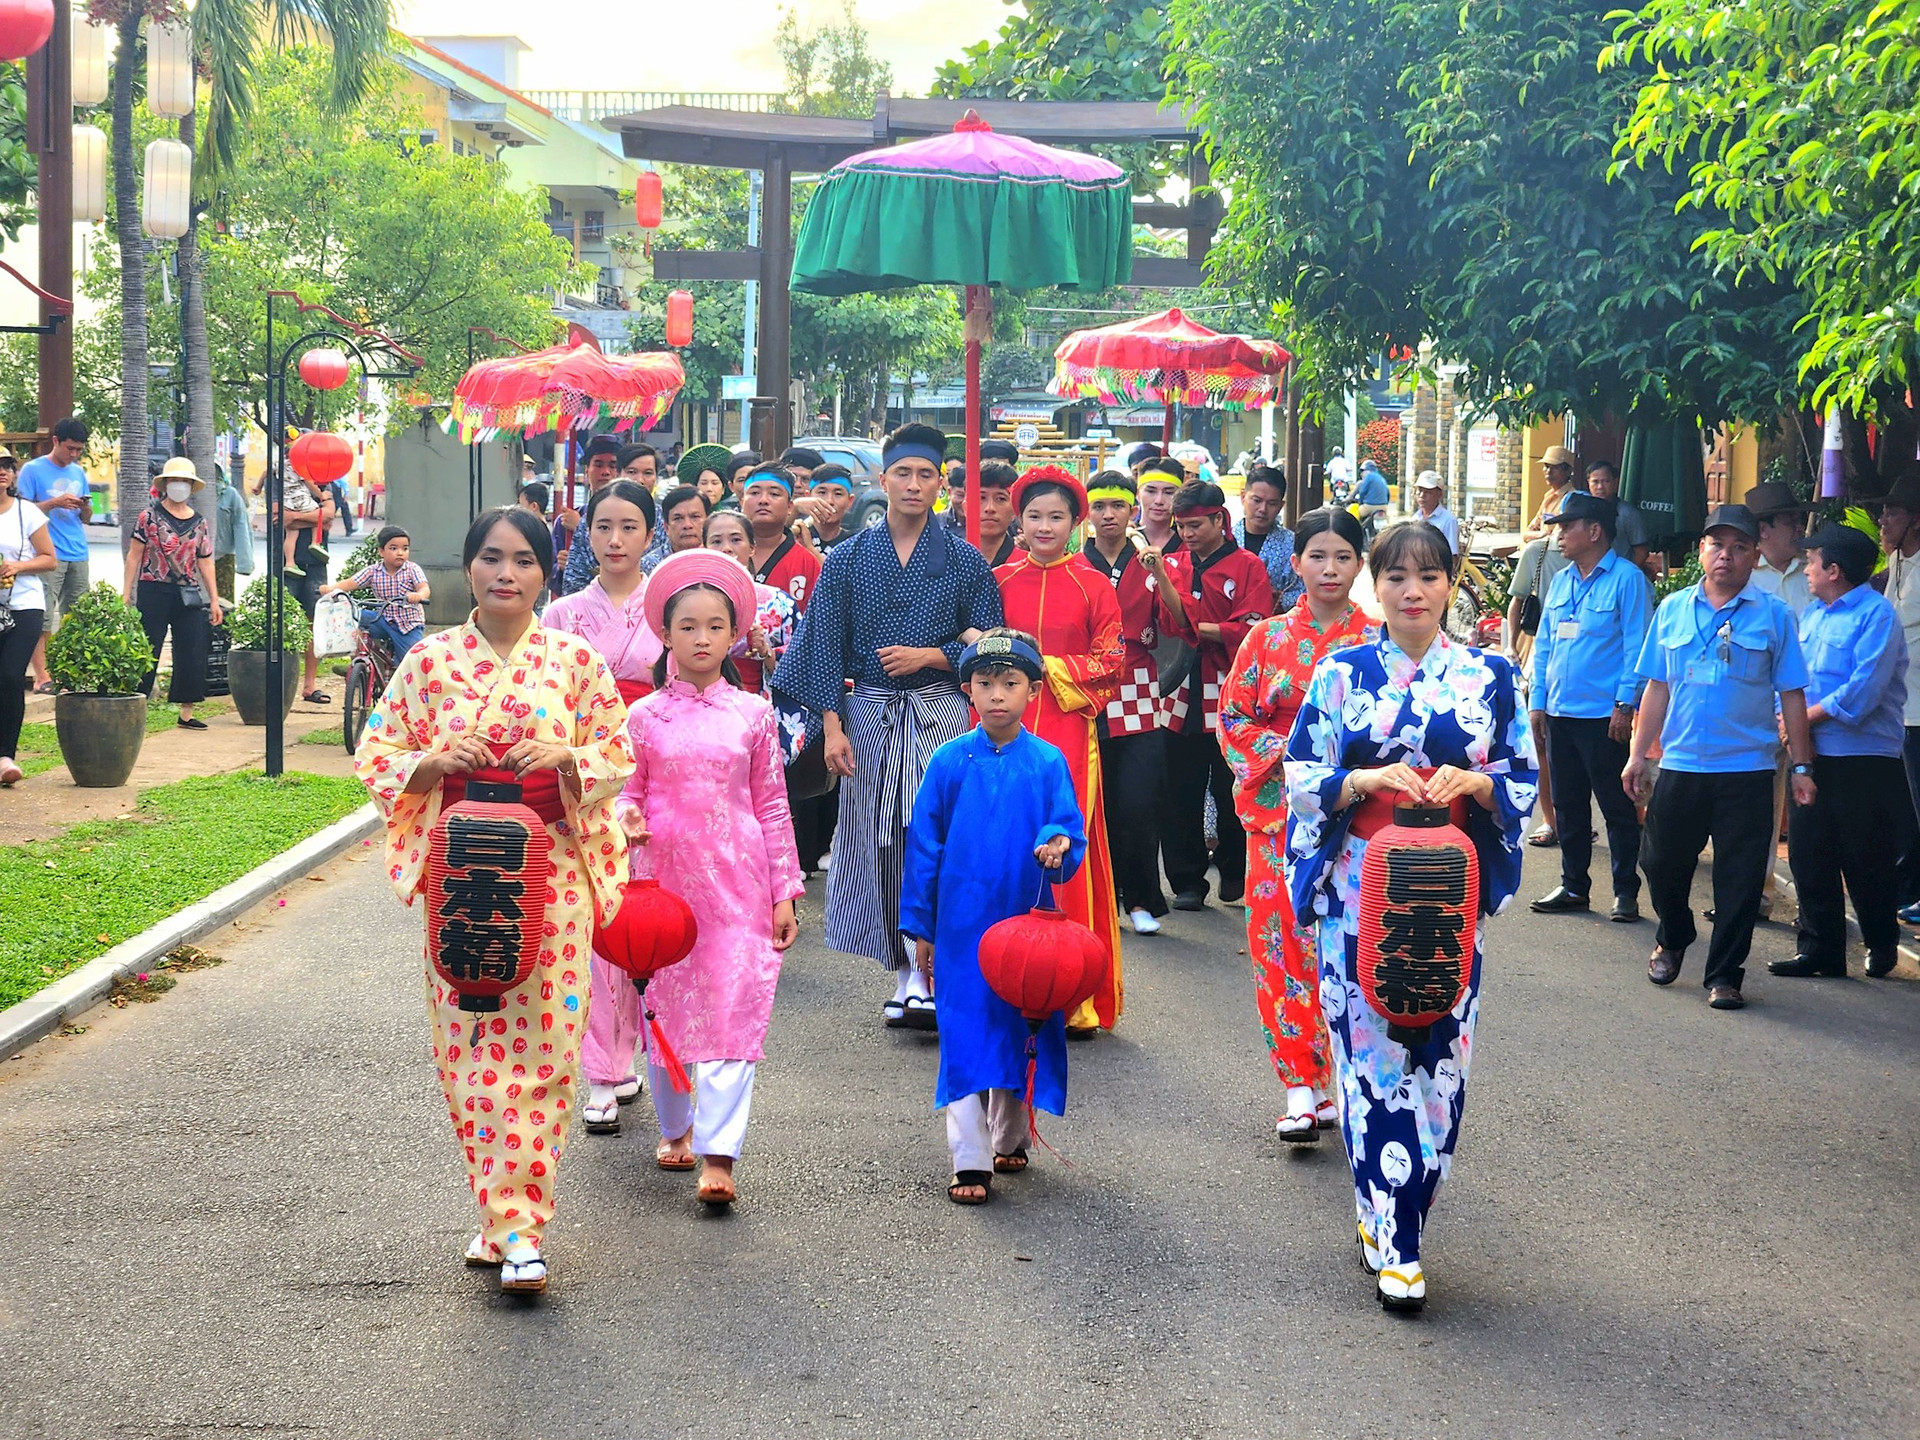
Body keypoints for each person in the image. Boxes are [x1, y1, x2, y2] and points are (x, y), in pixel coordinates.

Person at [354, 506, 634, 1294]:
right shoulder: (430, 661)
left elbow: (618, 753)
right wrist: (433, 761)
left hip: (552, 875)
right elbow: (378, 749)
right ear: (468, 566)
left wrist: (570, 756)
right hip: (463, 877)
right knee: (469, 1052)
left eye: (523, 560)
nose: (505, 573)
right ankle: (499, 1215)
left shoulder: (575, 661)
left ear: (547, 573)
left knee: (544, 1058)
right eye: (490, 557)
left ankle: (520, 1229)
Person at [1284, 519, 1537, 1311]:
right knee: (1370, 1065)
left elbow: (1524, 776)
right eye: (1396, 576)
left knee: (1441, 1063)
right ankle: (1398, 1238)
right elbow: (1300, 772)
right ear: (1375, 585)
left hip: (1447, 892)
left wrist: (1478, 786)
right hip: (1360, 889)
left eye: (1429, 575)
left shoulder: (1491, 674)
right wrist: (1362, 783)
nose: (1413, 590)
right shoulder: (1340, 672)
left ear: (1450, 583)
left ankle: (1394, 1209)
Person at [771, 422, 1003, 1029]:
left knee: (936, 836)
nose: (914, 484)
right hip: (869, 714)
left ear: (941, 485)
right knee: (879, 841)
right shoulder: (848, 558)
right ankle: (905, 974)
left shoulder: (964, 559)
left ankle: (937, 970)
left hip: (941, 712)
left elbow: (990, 647)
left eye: (927, 475)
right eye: (904, 472)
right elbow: (820, 642)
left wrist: (931, 656)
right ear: (883, 479)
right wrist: (833, 725)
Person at [617, 550, 803, 1206]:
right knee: (663, 1006)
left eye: (715, 626)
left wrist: (785, 891)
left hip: (740, 885)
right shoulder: (641, 719)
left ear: (733, 635)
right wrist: (628, 823)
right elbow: (625, 794)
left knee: (732, 1012)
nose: (701, 638)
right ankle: (676, 1127)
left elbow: (773, 805)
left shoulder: (753, 715)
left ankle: (720, 1153)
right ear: (664, 634)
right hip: (660, 885)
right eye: (688, 626)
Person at [899, 629, 1087, 1204]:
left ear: (1033, 690)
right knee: (962, 1028)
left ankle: (1009, 1136)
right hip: (959, 922)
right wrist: (919, 927)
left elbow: (1065, 823)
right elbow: (924, 845)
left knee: (1017, 1023)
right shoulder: (949, 761)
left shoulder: (1049, 761)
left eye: (1010, 684)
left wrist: (1058, 844)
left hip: (1022, 920)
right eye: (985, 684)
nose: (997, 695)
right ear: (968, 690)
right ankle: (969, 1160)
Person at [1218, 507, 1373, 1141]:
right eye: (1317, 556)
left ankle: (1348, 1080)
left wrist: (1342, 768)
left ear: (1360, 565)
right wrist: (1292, 755)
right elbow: (1234, 717)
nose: (1329, 569)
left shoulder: (1378, 641)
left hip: (1356, 817)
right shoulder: (1265, 639)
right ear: (1296, 562)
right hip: (1279, 814)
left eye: (1342, 556)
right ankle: (1299, 1087)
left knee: (1347, 947)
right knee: (1277, 946)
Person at [1625, 504, 1815, 1011]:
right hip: (1683, 765)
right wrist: (1638, 754)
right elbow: (1656, 689)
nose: (1725, 556)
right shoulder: (1671, 611)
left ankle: (1726, 974)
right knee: (1660, 863)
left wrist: (1801, 766)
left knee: (1739, 880)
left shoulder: (1775, 616)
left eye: (1738, 547)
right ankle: (1675, 933)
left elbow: (1792, 694)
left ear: (1754, 556)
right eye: (1716, 545)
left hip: (1747, 771)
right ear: (1702, 551)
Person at [542, 480, 662, 1133]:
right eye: (603, 527)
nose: (614, 540)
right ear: (587, 533)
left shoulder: (669, 605)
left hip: (652, 777)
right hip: (584, 778)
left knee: (643, 922)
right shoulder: (562, 615)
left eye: (629, 527)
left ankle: (638, 1049)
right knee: (591, 927)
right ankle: (602, 1072)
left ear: (649, 534)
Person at [994, 467, 1125, 1034]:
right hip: (997, 728)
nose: (1045, 526)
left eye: (1057, 517)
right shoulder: (996, 579)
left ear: (1077, 523)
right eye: (1035, 516)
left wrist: (1038, 664)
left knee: (1064, 847)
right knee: (1000, 843)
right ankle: (1001, 977)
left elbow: (1111, 664)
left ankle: (1072, 992)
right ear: (1019, 521)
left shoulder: (1095, 584)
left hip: (1069, 732)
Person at [1771, 523, 1905, 979]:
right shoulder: (1813, 615)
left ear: (1834, 569)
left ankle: (1881, 940)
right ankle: (1819, 950)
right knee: (1810, 853)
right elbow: (1791, 678)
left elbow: (1862, 692)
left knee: (1865, 856)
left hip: (1862, 757)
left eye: (1812, 562)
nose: (1806, 569)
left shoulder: (1877, 615)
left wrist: (1800, 719)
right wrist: (1786, 719)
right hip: (1810, 752)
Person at [1145, 480, 1273, 910]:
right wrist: (1201, 627)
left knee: (1231, 785)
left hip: (1231, 689)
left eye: (1195, 524)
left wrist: (1195, 628)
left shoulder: (1247, 565)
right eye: (1180, 526)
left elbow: (1253, 629)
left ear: (1220, 519)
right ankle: (1186, 881)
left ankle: (1236, 870)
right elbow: (1166, 624)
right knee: (1176, 789)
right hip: (1178, 689)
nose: (1186, 534)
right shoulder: (1171, 564)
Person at [1525, 493, 1653, 922]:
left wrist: (1625, 704)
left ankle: (1625, 892)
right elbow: (1543, 645)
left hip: (1603, 716)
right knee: (1568, 804)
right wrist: (1537, 701)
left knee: (1616, 808)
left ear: (1594, 531)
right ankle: (1575, 885)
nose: (1559, 535)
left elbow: (1638, 647)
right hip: (1560, 712)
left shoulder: (1627, 580)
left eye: (1568, 526)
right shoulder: (1561, 580)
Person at [1081, 472, 1170, 932]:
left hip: (1138, 687)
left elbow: (1178, 624)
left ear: (1132, 510)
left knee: (1138, 802)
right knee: (1091, 804)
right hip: (1085, 690)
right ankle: (1096, 901)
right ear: (1088, 513)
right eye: (1100, 506)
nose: (1109, 515)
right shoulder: (1077, 563)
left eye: (1118, 505)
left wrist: (1160, 574)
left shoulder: (1150, 561)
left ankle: (1139, 898)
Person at [1744, 478, 1813, 921]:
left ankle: (1814, 902)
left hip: (1811, 707)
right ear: (1764, 530)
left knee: (1811, 807)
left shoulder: (1814, 571)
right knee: (1759, 811)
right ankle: (1756, 895)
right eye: (1789, 520)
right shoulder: (1746, 579)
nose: (1797, 527)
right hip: (1756, 709)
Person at [124, 458, 222, 731]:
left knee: (191, 648)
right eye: (175, 480)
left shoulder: (199, 522)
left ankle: (187, 712)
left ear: (191, 486)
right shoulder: (148, 517)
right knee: (147, 648)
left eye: (185, 481)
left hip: (187, 592)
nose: (180, 486)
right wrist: (126, 593)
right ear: (165, 484)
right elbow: (134, 556)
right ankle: (136, 706)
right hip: (152, 589)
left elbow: (205, 561)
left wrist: (214, 599)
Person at [1506, 532, 1572, 846]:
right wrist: (1510, 646)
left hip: (1584, 671)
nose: (1564, 531)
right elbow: (1517, 604)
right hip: (1540, 655)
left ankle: (1573, 819)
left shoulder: (1615, 572)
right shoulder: (1538, 552)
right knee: (1540, 739)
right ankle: (1550, 819)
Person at [17, 419, 92, 697]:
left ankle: (69, 671)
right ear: (56, 441)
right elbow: (22, 511)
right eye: (70, 448)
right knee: (44, 616)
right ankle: (42, 676)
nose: (73, 455)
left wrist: (84, 507)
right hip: (47, 551)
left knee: (77, 615)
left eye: (79, 451)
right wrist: (54, 503)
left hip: (78, 549)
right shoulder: (33, 470)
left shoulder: (78, 471)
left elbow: (87, 517)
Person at [1878, 474, 1920, 923]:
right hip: (1897, 709)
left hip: (1918, 708)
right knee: (1904, 807)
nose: (1882, 520)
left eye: (1892, 512)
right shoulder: (1895, 567)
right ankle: (1905, 888)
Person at [0, 460, 56, 785]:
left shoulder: (28, 512)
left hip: (24, 606)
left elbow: (49, 558)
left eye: (8, 466)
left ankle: (6, 755)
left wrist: (17, 567)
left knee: (9, 675)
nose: (2, 471)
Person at [703, 509, 796, 696]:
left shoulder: (779, 603)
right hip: (702, 700)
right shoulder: (689, 601)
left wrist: (765, 651)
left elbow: (800, 663)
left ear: (752, 547)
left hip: (759, 702)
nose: (727, 548)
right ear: (704, 548)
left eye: (736, 540)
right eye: (716, 541)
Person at [320, 525, 430, 661]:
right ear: (381, 551)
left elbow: (424, 588)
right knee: (354, 617)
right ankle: (358, 661)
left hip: (407, 624)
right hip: (383, 619)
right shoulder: (374, 571)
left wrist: (418, 596)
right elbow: (352, 582)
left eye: (405, 548)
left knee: (412, 661)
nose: (400, 553)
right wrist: (331, 589)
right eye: (393, 548)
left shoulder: (412, 569)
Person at [741, 463, 823, 611]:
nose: (763, 500)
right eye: (754, 493)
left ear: (790, 506)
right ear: (742, 502)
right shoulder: (721, 551)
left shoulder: (806, 562)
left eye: (774, 494)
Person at [557, 437, 631, 596]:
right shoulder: (565, 521)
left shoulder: (635, 521)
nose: (605, 472)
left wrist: (580, 528)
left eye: (612, 465)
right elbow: (552, 578)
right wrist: (564, 566)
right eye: (598, 465)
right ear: (586, 471)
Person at [1234, 464, 1305, 613]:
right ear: (1243, 497)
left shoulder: (1293, 544)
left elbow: (1305, 593)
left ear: (1281, 506)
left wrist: (1276, 598)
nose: (1263, 509)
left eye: (1272, 503)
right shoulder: (1225, 538)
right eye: (1257, 500)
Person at [1583, 460, 1649, 572]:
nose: (1600, 487)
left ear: (1615, 482)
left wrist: (1626, 574)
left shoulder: (1627, 513)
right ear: (1588, 482)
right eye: (1595, 482)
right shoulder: (1583, 512)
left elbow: (1641, 551)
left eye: (1605, 481)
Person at [212, 462, 255, 605]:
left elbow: (242, 527)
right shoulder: (193, 495)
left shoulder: (230, 495)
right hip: (194, 560)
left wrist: (245, 563)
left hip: (223, 558)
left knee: (224, 605)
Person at [1522, 444, 1581, 543]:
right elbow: (1527, 533)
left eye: (1555, 467)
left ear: (1568, 471)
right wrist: (1543, 534)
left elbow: (1557, 538)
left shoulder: (1572, 499)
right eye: (1546, 466)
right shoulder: (1549, 497)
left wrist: (1543, 535)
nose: (1549, 471)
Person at [644, 485, 708, 574]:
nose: (687, 525)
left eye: (695, 517)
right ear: (666, 527)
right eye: (678, 518)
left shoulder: (719, 559)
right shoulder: (651, 566)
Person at [797, 464, 856, 553]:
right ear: (808, 497)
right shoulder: (797, 533)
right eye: (822, 492)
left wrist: (809, 548)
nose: (829, 501)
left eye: (838, 494)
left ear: (850, 501)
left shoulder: (855, 544)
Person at [1136, 458, 1185, 554]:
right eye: (1151, 491)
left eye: (1168, 492)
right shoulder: (1122, 541)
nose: (1159, 501)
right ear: (1138, 494)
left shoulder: (1188, 543)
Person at [1410, 471, 1459, 555]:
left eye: (1427, 492)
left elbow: (1452, 554)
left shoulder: (1448, 520)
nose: (1422, 495)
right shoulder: (1415, 518)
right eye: (1419, 490)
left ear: (1439, 494)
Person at [1351, 459, 1390, 525]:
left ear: (1367, 470)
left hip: (1370, 506)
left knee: (1355, 512)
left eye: (1362, 471)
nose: (1361, 474)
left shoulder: (1369, 477)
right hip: (1384, 507)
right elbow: (1388, 494)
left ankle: (1357, 530)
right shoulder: (1381, 478)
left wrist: (1360, 502)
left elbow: (1362, 492)